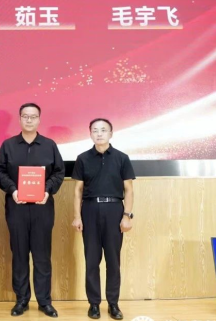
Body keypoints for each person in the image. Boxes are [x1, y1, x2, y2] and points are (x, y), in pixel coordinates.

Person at [0, 103, 64, 318]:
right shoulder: (8, 145)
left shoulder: (50, 145)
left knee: (42, 256)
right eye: (25, 116)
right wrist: (13, 190)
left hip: (43, 208)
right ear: (20, 119)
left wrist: (47, 190)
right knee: (19, 255)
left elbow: (59, 172)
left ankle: (44, 301)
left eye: (33, 116)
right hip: (17, 207)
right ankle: (21, 300)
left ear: (39, 119)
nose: (29, 120)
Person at [71, 118, 135, 320]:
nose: (99, 134)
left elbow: (129, 190)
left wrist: (127, 215)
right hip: (89, 209)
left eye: (103, 130)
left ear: (111, 133)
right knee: (92, 260)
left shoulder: (122, 158)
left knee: (113, 261)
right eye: (95, 130)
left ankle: (113, 304)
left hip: (114, 210)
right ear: (90, 134)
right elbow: (78, 190)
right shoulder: (82, 158)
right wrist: (77, 216)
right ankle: (94, 304)